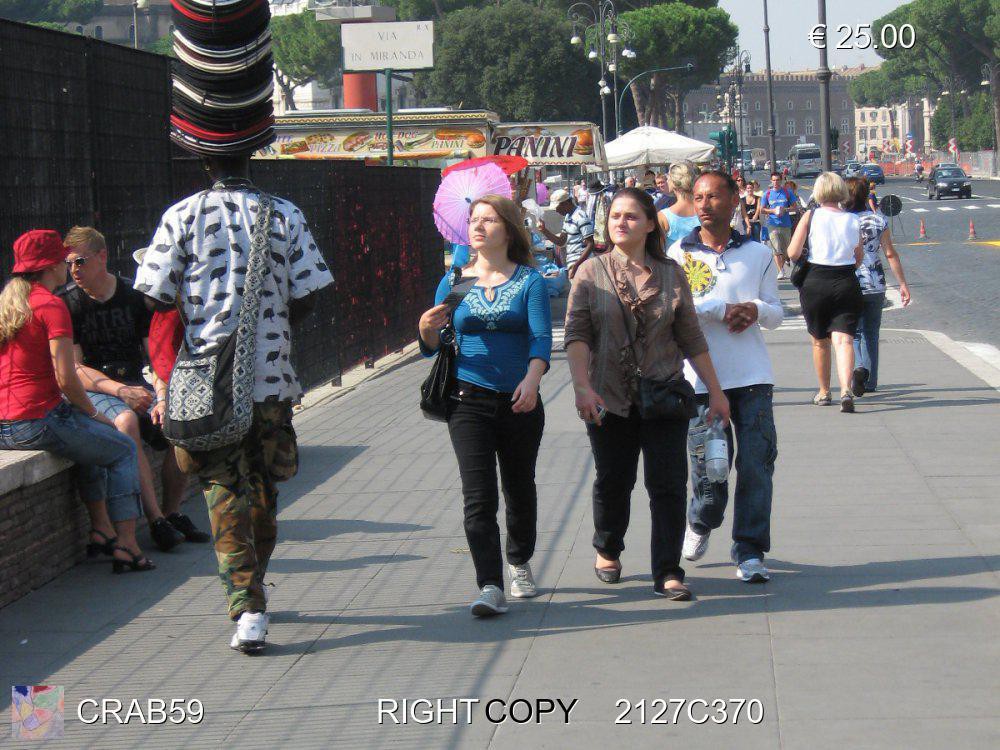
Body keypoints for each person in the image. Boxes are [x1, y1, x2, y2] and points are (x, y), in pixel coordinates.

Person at [135, 153, 333, 653]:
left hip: (207, 382)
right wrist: (270, 323)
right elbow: (309, 293)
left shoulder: (181, 216)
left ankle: (246, 607)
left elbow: (154, 298)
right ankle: (254, 584)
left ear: (204, 163)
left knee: (222, 490)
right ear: (251, 157)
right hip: (271, 381)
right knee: (264, 490)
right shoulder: (285, 213)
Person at [564, 188, 729, 601]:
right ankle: (608, 546)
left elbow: (691, 336)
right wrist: (582, 386)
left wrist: (716, 391)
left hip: (665, 394)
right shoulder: (590, 272)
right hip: (608, 397)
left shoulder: (672, 273)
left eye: (631, 216)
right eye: (615, 216)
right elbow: (577, 335)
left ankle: (668, 572)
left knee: (669, 485)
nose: (621, 222)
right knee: (613, 481)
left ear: (651, 223)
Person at [418, 195, 552, 618]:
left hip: (520, 400)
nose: (478, 227)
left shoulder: (529, 280)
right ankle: (489, 584)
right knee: (478, 497)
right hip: (466, 400)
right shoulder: (454, 280)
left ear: (508, 229)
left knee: (519, 488)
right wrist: (425, 330)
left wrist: (532, 380)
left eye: (489, 220)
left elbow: (540, 338)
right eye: (474, 220)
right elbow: (432, 348)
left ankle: (519, 558)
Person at [0, 230, 151, 573]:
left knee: (89, 442)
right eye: (63, 259)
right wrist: (93, 411)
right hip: (36, 420)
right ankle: (127, 545)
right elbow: (67, 378)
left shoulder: (7, 303)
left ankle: (100, 530)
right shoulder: (51, 305)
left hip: (4, 424)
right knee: (122, 449)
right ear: (53, 264)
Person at [59, 227, 209, 553]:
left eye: (80, 261)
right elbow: (75, 368)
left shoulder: (133, 296)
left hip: (139, 380)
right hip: (101, 389)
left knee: (180, 423)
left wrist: (164, 395)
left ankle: (173, 511)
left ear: (102, 256)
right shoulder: (68, 303)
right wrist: (120, 391)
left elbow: (154, 353)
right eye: (68, 263)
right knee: (127, 421)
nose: (74, 270)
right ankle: (155, 519)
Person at [667, 172, 782, 583]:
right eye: (698, 197)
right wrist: (720, 308)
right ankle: (701, 520)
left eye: (713, 196)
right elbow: (676, 310)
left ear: (734, 199)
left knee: (756, 464)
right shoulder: (679, 253)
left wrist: (753, 309)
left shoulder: (758, 252)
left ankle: (750, 550)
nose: (704, 204)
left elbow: (776, 311)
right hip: (700, 381)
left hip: (752, 377)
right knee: (711, 470)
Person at [787, 172, 863, 413]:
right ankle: (846, 389)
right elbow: (857, 257)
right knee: (844, 339)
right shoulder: (852, 220)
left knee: (820, 341)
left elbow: (792, 252)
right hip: (846, 280)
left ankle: (823, 391)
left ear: (818, 192)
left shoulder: (811, 216)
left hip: (816, 281)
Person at [844, 177, 912, 395]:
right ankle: (871, 381)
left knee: (853, 333)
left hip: (850, 281)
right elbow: (890, 253)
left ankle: (859, 367)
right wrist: (902, 284)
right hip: (876, 282)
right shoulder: (878, 220)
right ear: (867, 196)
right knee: (872, 332)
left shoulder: (842, 221)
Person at [539, 189, 595, 279]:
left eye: (557, 207)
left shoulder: (580, 217)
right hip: (573, 264)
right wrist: (544, 230)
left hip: (583, 265)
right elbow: (561, 241)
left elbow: (591, 244)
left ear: (566, 203)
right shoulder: (568, 217)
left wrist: (576, 266)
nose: (556, 211)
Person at [758, 172, 799, 280]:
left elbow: (794, 207)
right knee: (776, 249)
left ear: (780, 181)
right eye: (774, 180)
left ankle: (786, 261)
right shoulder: (767, 194)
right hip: (772, 224)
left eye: (777, 180)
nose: (775, 182)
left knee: (786, 250)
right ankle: (781, 271)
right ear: (771, 181)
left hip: (785, 224)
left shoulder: (787, 192)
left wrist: (784, 209)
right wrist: (772, 211)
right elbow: (762, 209)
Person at [657, 162, 702, 247]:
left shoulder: (662, 217)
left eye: (668, 178)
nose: (667, 181)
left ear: (673, 182)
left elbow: (657, 254)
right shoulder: (707, 212)